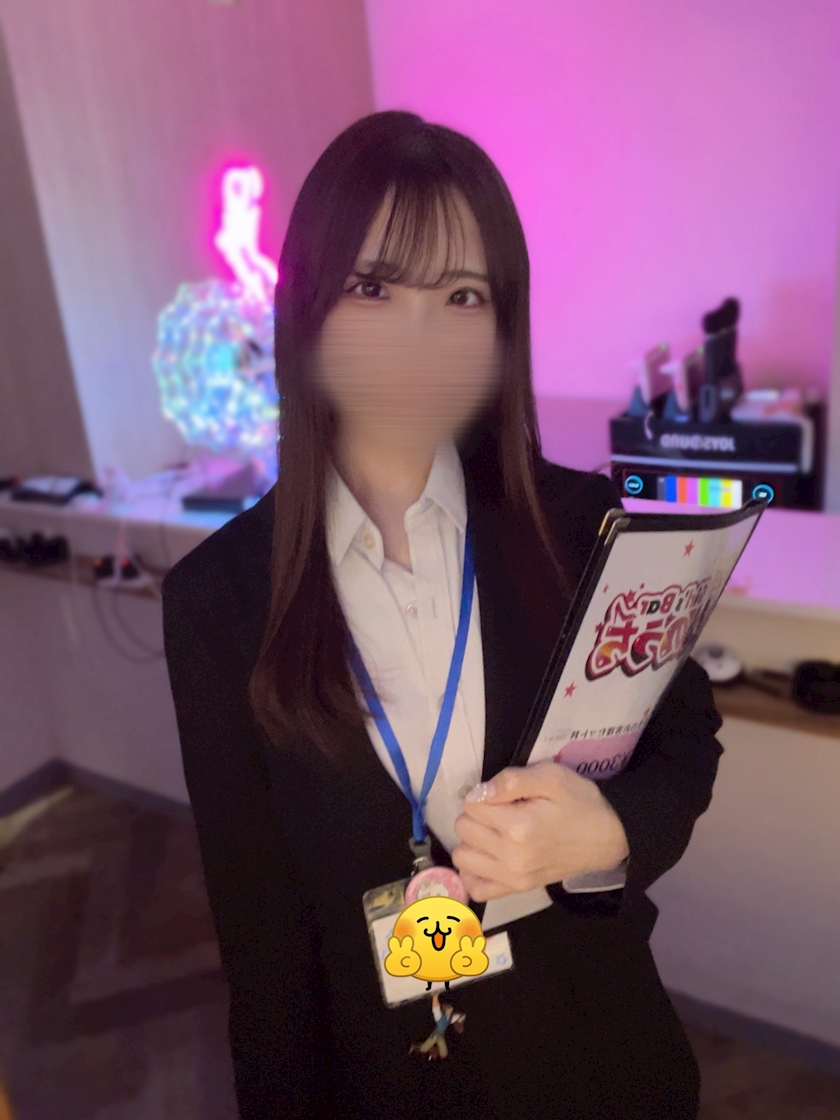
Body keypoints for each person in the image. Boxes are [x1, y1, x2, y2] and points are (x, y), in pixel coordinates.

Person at [161, 110, 724, 1120]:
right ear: (307, 309)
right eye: (374, 288)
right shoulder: (217, 601)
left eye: (462, 297)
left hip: (599, 1054)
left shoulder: (580, 525)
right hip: (387, 1081)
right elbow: (264, 945)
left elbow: (685, 737)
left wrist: (607, 828)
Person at [409, 993, 466, 1061]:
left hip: (439, 1031)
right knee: (441, 1052)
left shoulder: (428, 1047)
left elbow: (424, 1047)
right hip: (442, 1029)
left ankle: (435, 997)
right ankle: (435, 997)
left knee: (424, 1048)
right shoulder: (443, 1052)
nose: (432, 1053)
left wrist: (415, 1047)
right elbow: (461, 1017)